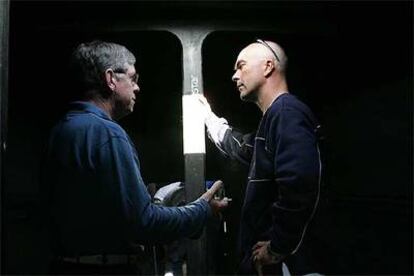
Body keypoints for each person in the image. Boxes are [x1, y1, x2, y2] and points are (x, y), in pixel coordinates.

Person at [41, 40, 228, 275]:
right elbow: (144, 222)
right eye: (133, 78)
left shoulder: (60, 130)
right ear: (110, 79)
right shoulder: (108, 134)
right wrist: (202, 209)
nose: (137, 88)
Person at [199, 39, 322, 275]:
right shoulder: (275, 120)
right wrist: (208, 117)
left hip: (292, 264)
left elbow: (299, 182)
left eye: (241, 66)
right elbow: (240, 148)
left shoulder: (286, 113)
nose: (235, 76)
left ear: (267, 67)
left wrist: (278, 247)